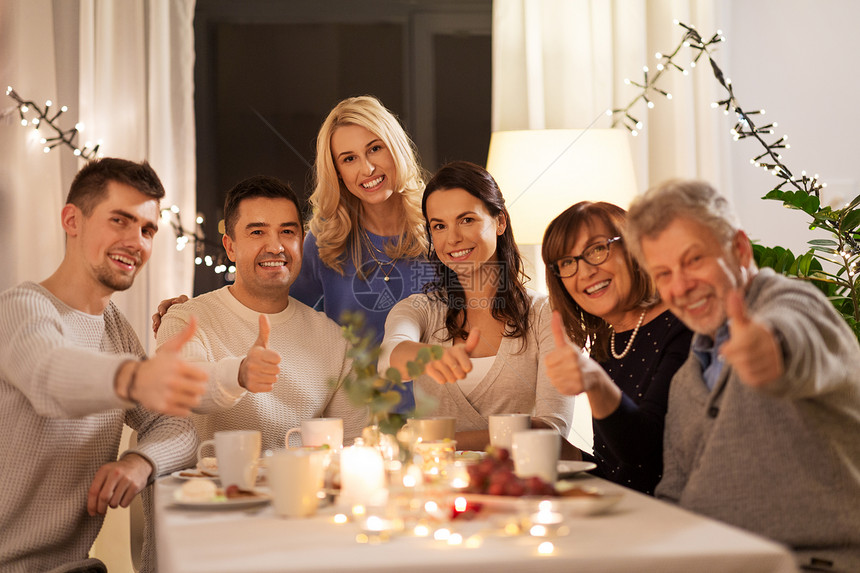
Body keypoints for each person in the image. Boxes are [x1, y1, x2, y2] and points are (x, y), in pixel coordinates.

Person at [625, 178, 860, 570]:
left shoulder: (793, 305)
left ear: (739, 248)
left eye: (694, 260)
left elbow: (794, 338)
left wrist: (769, 349)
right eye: (663, 273)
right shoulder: (690, 375)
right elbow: (675, 493)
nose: (680, 286)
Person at [0, 158, 206, 572]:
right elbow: (51, 377)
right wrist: (135, 377)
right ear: (72, 221)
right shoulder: (19, 309)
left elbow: (178, 427)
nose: (137, 241)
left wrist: (140, 461)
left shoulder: (115, 328)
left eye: (147, 230)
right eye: (120, 220)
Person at [155, 175, 367, 452]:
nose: (276, 247)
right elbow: (186, 388)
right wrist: (240, 374)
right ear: (230, 246)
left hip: (299, 492)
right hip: (208, 493)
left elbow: (353, 443)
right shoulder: (184, 319)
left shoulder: (336, 341)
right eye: (257, 232)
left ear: (302, 242)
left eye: (287, 232)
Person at [378, 161, 575, 451]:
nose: (453, 238)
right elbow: (388, 362)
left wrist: (440, 442)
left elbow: (552, 431)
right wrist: (428, 356)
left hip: (517, 488)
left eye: (467, 220)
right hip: (435, 490)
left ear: (500, 222)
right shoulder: (419, 309)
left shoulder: (545, 313)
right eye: (439, 226)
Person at [290, 95, 435, 412]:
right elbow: (276, 311)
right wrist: (198, 311)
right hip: (355, 421)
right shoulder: (325, 241)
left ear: (394, 147)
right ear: (337, 171)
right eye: (349, 158)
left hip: (437, 418)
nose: (367, 168)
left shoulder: (440, 226)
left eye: (374, 148)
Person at [542, 202, 692, 495]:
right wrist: (561, 450)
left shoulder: (683, 325)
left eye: (597, 249)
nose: (585, 272)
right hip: (626, 513)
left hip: (678, 522)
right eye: (567, 262)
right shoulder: (607, 342)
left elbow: (649, 461)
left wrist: (596, 384)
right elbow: (620, 469)